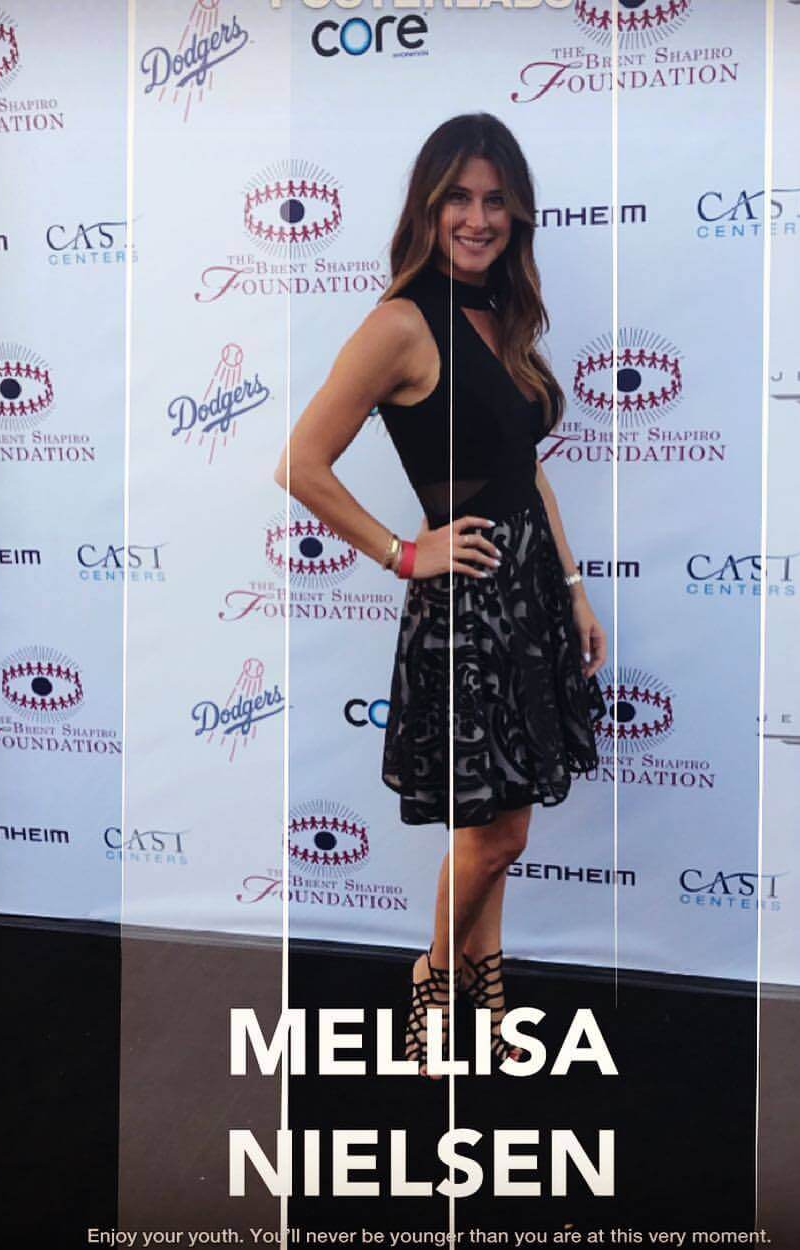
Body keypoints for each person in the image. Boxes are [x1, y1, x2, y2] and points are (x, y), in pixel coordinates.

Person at [274, 112, 607, 1076]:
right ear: (428, 206)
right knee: (496, 834)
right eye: (458, 197)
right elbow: (299, 463)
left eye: (496, 200)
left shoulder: (499, 312)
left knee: (492, 822)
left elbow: (524, 467)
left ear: (517, 214)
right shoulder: (401, 323)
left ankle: (487, 994)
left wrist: (573, 584)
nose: (478, 218)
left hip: (529, 596)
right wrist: (400, 552)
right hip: (467, 612)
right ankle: (433, 975)